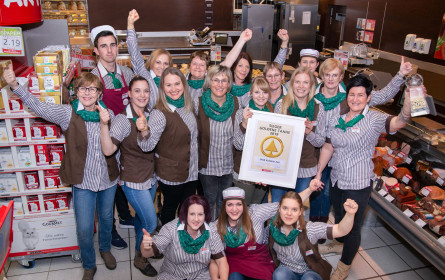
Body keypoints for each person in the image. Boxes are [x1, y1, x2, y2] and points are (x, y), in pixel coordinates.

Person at [3, 66, 119, 280]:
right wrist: (15, 86)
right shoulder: (68, 113)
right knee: (84, 228)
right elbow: (39, 106)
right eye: (82, 88)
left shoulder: (106, 114)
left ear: (99, 94)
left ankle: (105, 249)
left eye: (92, 89)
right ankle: (88, 264)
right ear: (76, 91)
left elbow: (113, 145)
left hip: (107, 179)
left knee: (105, 219)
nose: (87, 93)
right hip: (82, 181)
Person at [316, 75, 418, 279]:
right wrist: (319, 173)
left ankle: (343, 268)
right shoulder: (338, 118)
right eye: (352, 94)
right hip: (336, 179)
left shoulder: (373, 119)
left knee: (353, 226)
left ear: (369, 97)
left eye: (360, 95)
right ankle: (339, 244)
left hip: (358, 183)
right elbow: (328, 146)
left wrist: (409, 98)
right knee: (338, 216)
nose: (355, 99)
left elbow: (401, 121)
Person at [310, 57, 412, 228]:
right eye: (327, 75)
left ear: (341, 77)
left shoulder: (351, 95)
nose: (330, 79)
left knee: (328, 195)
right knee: (319, 193)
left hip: (344, 157)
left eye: (335, 75)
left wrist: (400, 75)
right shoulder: (313, 96)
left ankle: (332, 232)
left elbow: (385, 95)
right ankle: (317, 229)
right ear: (321, 75)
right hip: (319, 151)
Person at [97, 76, 158, 276]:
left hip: (151, 177)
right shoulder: (123, 120)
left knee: (141, 218)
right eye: (137, 91)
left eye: (146, 91)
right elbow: (108, 150)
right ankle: (141, 258)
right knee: (150, 222)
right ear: (129, 94)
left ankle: (143, 249)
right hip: (134, 180)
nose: (142, 95)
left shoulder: (150, 113)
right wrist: (104, 125)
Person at [211, 183, 322, 280]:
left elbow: (286, 205)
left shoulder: (255, 212)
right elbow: (216, 259)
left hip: (259, 262)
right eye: (230, 204)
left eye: (238, 204)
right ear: (224, 207)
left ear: (244, 205)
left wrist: (310, 189)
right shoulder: (216, 226)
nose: (234, 209)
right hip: (235, 264)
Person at [90, 24, 135, 249]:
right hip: (105, 138)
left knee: (123, 178)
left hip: (126, 136)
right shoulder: (93, 79)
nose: (109, 50)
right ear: (96, 50)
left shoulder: (126, 73)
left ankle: (126, 216)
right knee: (109, 182)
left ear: (118, 47)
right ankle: (112, 229)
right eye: (103, 46)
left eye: (113, 45)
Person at [137, 67, 198, 225]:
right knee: (170, 209)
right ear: (162, 88)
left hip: (191, 171)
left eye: (177, 84)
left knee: (187, 210)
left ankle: (183, 242)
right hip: (172, 174)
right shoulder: (159, 113)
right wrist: (143, 131)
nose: (173, 89)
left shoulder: (187, 107)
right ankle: (167, 243)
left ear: (183, 85)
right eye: (168, 85)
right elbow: (147, 146)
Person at [269, 191, 359, 280]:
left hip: (308, 270)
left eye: (294, 209)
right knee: (279, 274)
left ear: (300, 211)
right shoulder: (273, 228)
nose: (289, 213)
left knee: (309, 279)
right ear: (279, 209)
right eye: (285, 208)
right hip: (286, 270)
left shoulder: (310, 229)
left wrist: (350, 214)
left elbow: (340, 230)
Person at [270, 67, 326, 202]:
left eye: (305, 82)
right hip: (281, 167)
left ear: (311, 86)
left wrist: (308, 133)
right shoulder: (281, 105)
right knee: (277, 206)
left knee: (297, 207)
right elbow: (272, 135)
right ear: (291, 84)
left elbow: (320, 142)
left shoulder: (319, 107)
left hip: (306, 167)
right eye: (297, 82)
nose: (301, 86)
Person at [141, 195, 229, 280]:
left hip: (201, 275)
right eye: (192, 214)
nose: (196, 219)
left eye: (200, 214)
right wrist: (147, 246)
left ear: (205, 215)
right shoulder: (171, 229)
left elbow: (221, 260)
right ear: (185, 214)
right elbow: (147, 254)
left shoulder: (212, 230)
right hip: (173, 274)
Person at [195, 64, 240, 220]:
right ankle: (209, 232)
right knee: (209, 200)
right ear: (209, 81)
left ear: (229, 84)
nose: (220, 84)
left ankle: (222, 232)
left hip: (229, 164)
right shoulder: (198, 103)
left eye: (224, 80)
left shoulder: (236, 103)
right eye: (216, 80)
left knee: (225, 202)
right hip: (207, 165)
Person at [222, 29, 289, 109]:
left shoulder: (254, 83)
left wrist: (284, 43)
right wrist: (242, 40)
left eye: (247, 67)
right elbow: (224, 65)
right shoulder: (224, 84)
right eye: (240, 66)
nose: (244, 70)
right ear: (233, 67)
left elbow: (274, 67)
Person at [232, 76, 273, 205]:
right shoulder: (242, 113)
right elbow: (238, 145)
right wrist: (244, 123)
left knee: (256, 209)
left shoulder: (272, 113)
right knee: (243, 210)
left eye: (264, 92)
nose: (261, 96)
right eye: (257, 92)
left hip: (263, 172)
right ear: (250, 93)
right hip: (244, 172)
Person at [127, 9, 173, 106]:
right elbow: (134, 53)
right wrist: (130, 25)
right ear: (151, 62)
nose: (162, 66)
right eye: (158, 62)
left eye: (166, 63)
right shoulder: (144, 76)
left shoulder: (171, 82)